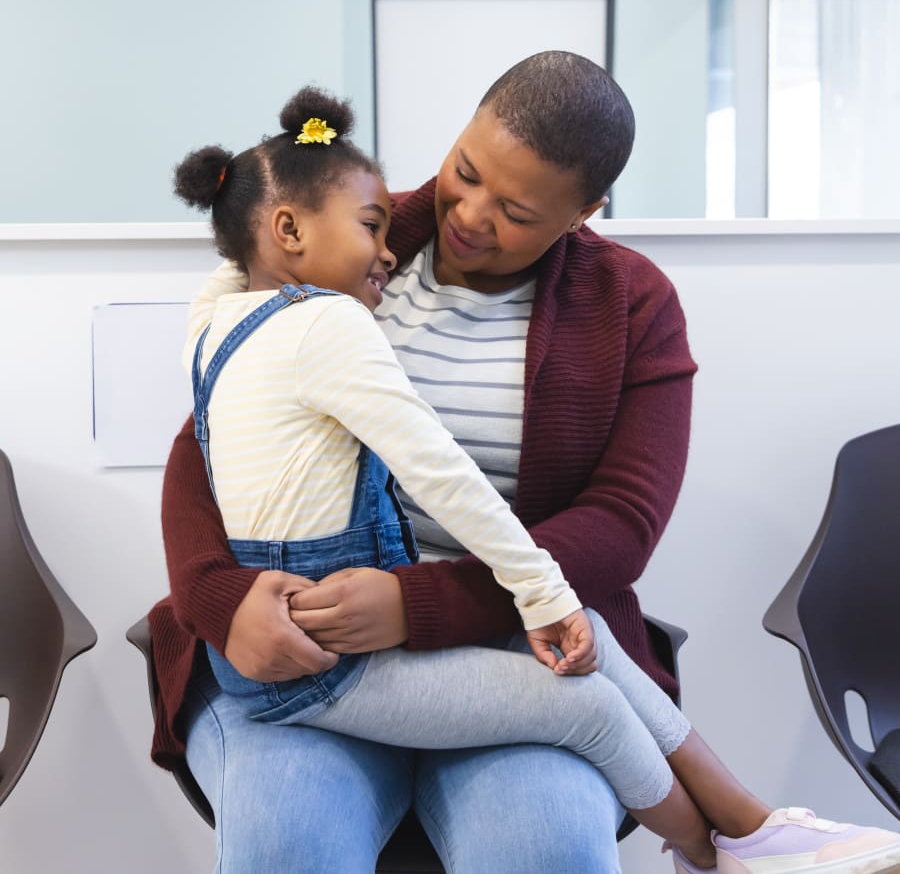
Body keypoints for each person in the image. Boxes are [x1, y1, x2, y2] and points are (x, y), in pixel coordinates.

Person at [147, 53, 900, 874]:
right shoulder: (350, 237)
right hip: (310, 643)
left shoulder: (632, 305)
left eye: (515, 210)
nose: (469, 215)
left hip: (505, 635)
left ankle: (737, 844)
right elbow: (207, 439)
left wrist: (420, 604)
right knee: (287, 844)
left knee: (547, 848)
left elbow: (622, 523)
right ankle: (733, 840)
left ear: (584, 212)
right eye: (463, 172)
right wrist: (218, 599)